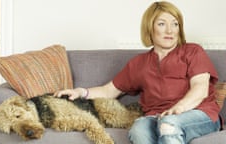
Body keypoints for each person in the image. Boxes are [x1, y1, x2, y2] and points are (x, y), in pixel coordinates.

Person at [54, 1, 222, 144]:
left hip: (199, 114)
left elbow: (200, 89)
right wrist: (80, 91)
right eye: (162, 24)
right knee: (138, 130)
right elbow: (109, 91)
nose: (170, 30)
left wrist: (179, 109)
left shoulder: (193, 51)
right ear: (150, 28)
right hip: (156, 117)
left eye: (175, 23)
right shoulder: (139, 63)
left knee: (169, 124)